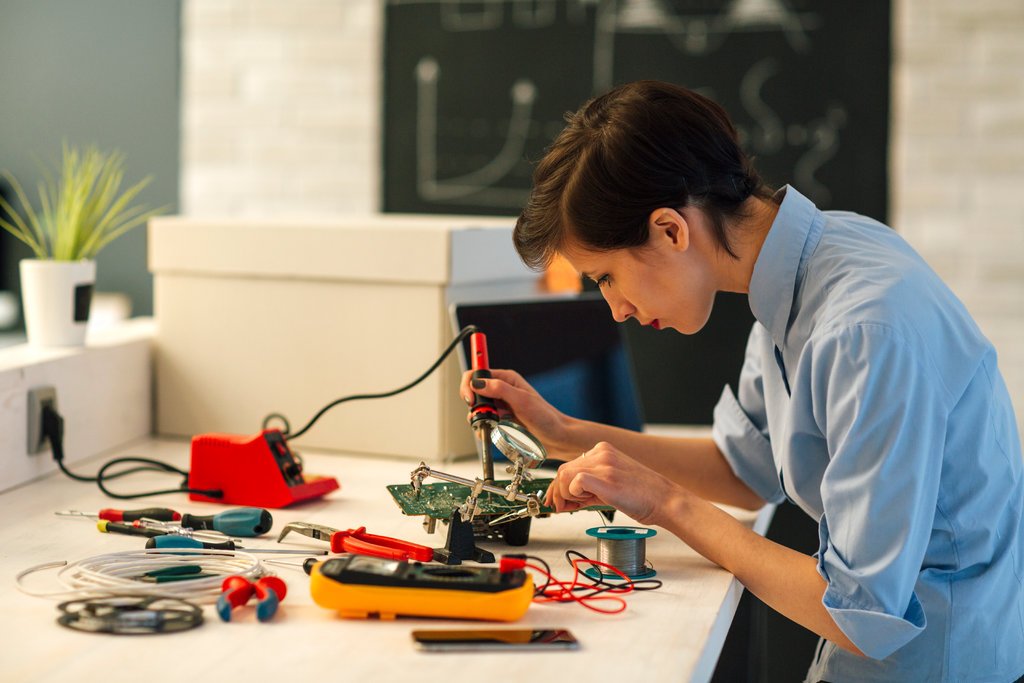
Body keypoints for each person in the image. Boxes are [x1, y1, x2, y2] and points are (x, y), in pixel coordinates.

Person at [460, 81, 1024, 682]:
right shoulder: (808, 261)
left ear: (671, 230)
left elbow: (862, 614)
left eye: (605, 277)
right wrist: (561, 434)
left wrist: (665, 503)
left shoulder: (861, 329)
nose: (616, 308)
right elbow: (748, 471)